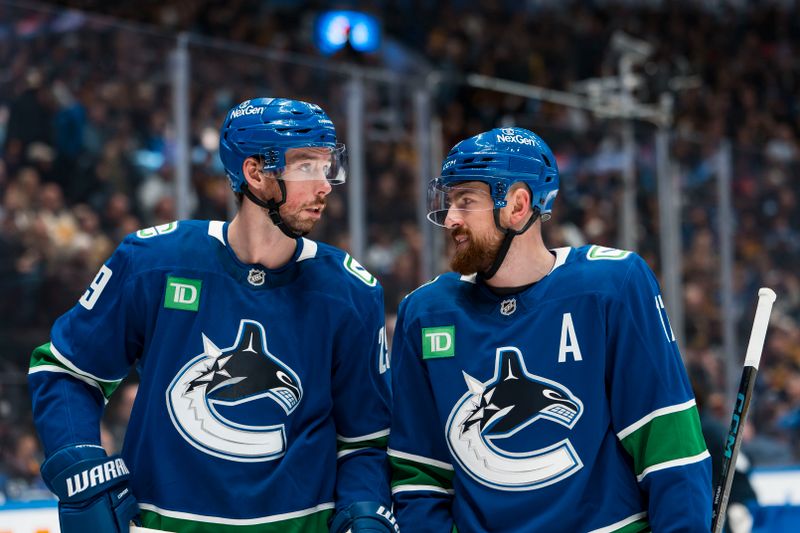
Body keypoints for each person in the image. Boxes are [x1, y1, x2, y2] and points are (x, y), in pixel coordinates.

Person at [28, 97, 397, 533]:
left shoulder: (351, 292)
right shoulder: (154, 261)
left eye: (327, 165)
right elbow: (67, 371)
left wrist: (365, 513)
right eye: (305, 166)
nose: (325, 185)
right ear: (255, 174)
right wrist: (81, 467)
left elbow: (365, 443)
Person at [387, 127, 712, 532]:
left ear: (518, 206)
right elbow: (420, 477)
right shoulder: (425, 313)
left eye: (466, 201)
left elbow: (669, 449)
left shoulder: (612, 285)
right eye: (449, 201)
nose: (450, 218)